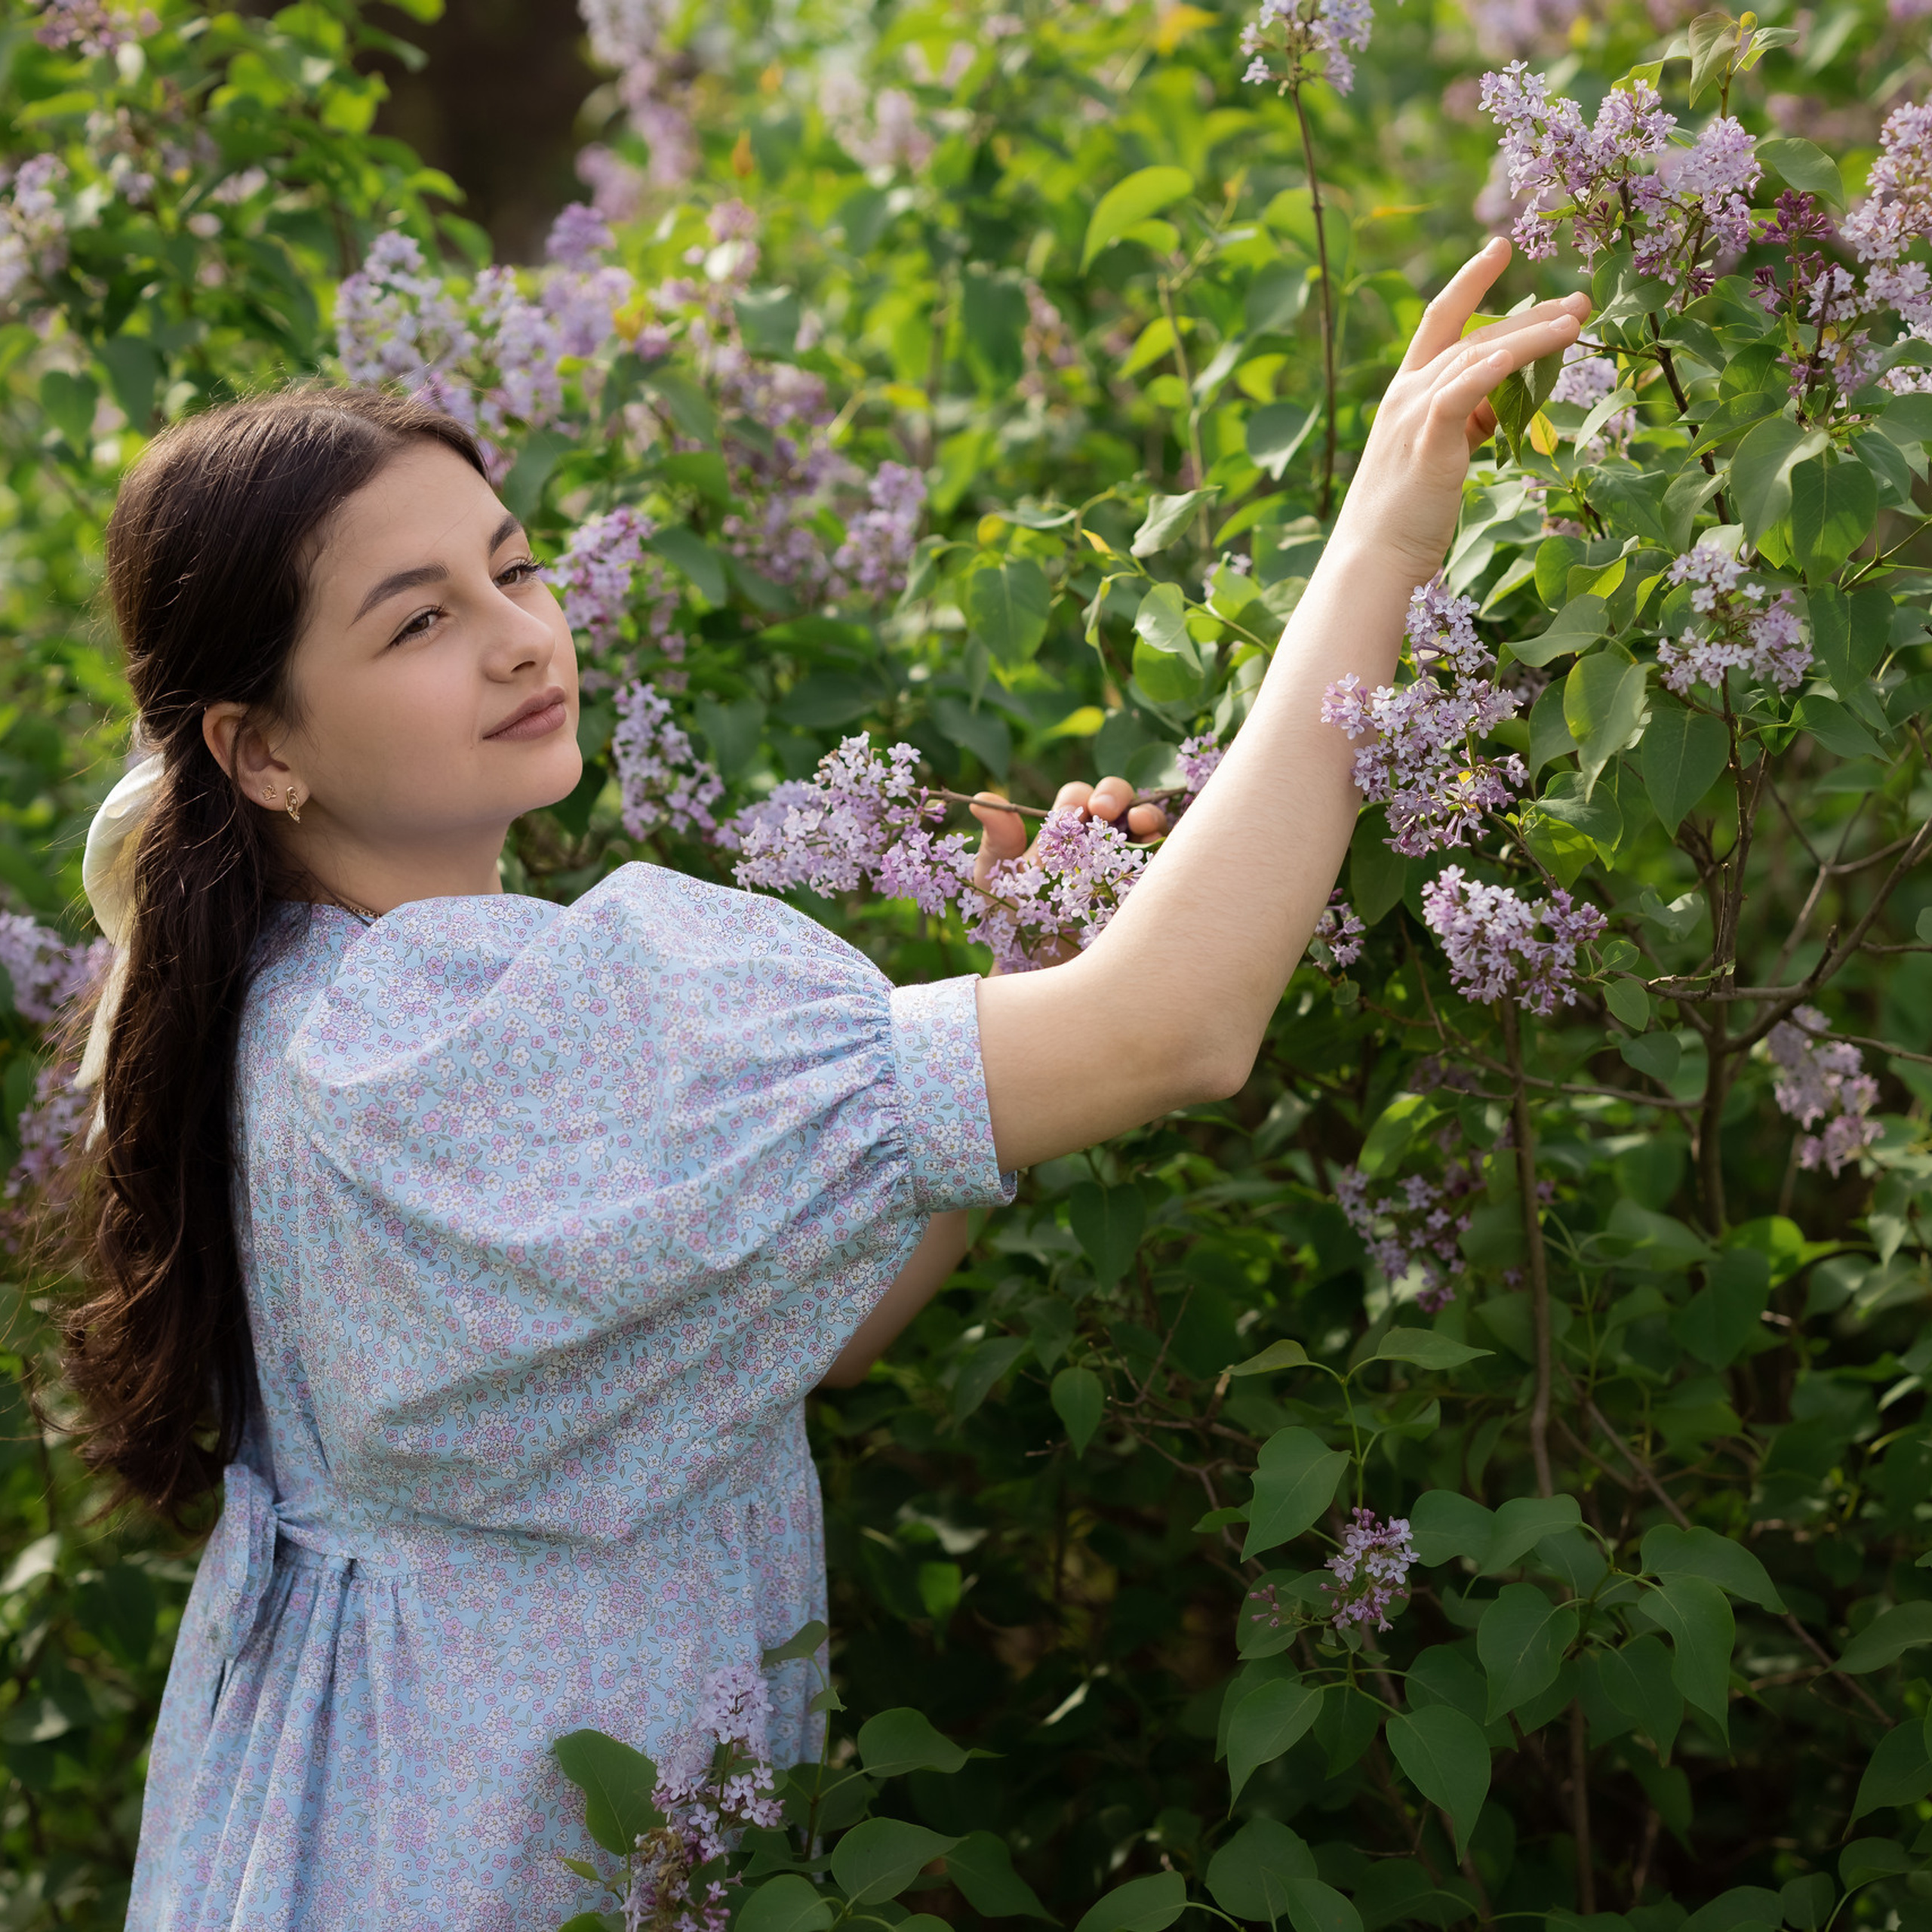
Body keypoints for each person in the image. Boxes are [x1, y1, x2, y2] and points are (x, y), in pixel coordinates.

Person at [72, 239, 1583, 1927]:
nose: (515, 640)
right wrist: (1381, 528)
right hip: (488, 1847)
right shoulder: (450, 1042)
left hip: (354, 1815)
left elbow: (788, 1323)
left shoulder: (301, 999)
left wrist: (1006, 1024)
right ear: (258, 746)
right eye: (420, 620)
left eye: (512, 571)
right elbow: (1180, 1026)